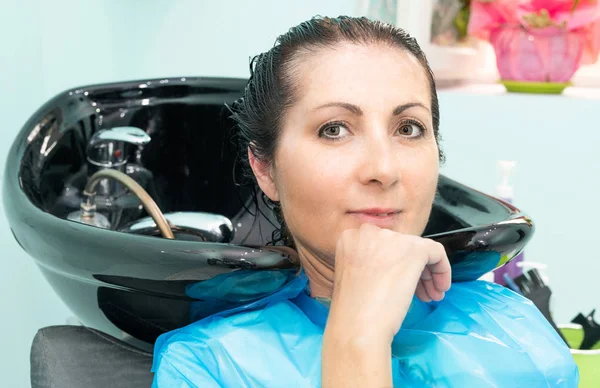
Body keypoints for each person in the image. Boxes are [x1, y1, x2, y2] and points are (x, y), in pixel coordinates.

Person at [151, 15, 578, 387]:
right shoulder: (210, 367)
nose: (384, 168)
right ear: (265, 167)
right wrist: (358, 338)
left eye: (408, 128)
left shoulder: (512, 332)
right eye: (334, 129)